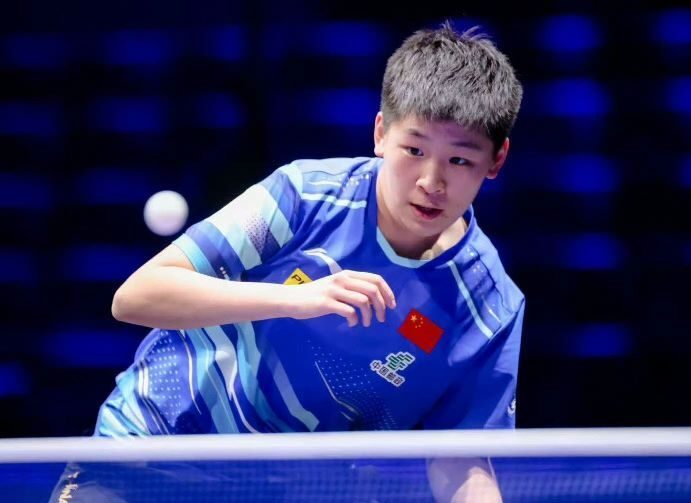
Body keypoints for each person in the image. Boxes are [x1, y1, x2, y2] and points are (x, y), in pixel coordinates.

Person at [50, 21, 524, 502]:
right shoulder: (303, 197)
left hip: (284, 491)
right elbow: (136, 297)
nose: (431, 181)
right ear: (381, 133)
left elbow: (461, 458)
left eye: (460, 160)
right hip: (148, 453)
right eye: (414, 149)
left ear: (496, 160)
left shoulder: (489, 309)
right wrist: (295, 300)